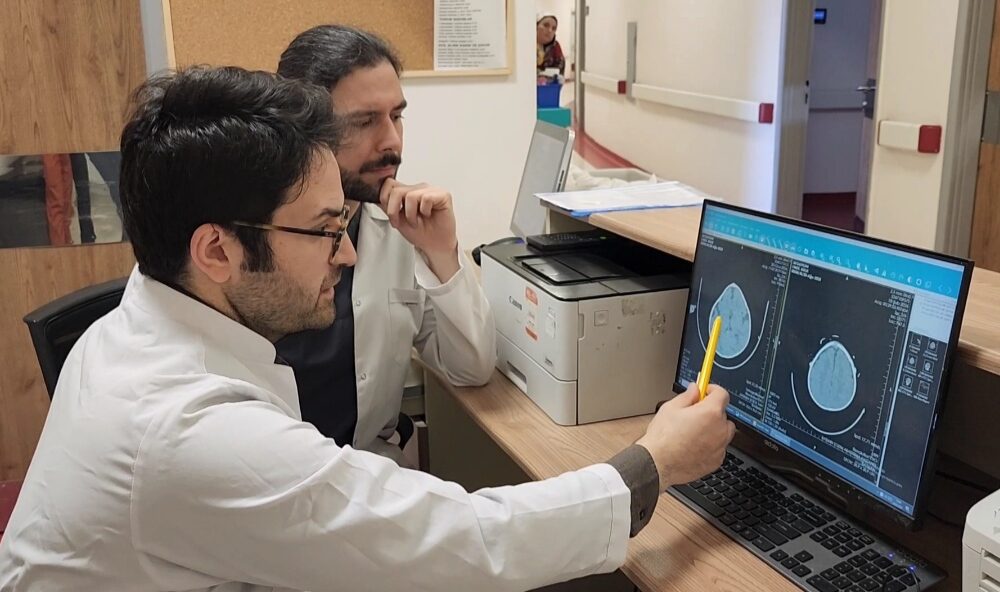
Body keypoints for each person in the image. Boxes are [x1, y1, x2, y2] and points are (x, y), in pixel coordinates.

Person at [0, 66, 735, 591]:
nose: (348, 254)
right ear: (216, 250)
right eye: (325, 230)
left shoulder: (134, 321)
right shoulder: (190, 433)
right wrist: (657, 460)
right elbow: (473, 540)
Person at [276, 25, 495, 464]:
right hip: (281, 477)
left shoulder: (403, 225)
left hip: (373, 471)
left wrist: (441, 252)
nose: (392, 141)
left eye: (396, 116)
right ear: (300, 127)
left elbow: (470, 368)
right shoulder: (257, 236)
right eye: (364, 121)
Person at [536, 14, 565, 82]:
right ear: (536, 26)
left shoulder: (556, 47)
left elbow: (560, 71)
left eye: (553, 28)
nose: (550, 30)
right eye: (546, 25)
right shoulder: (526, 45)